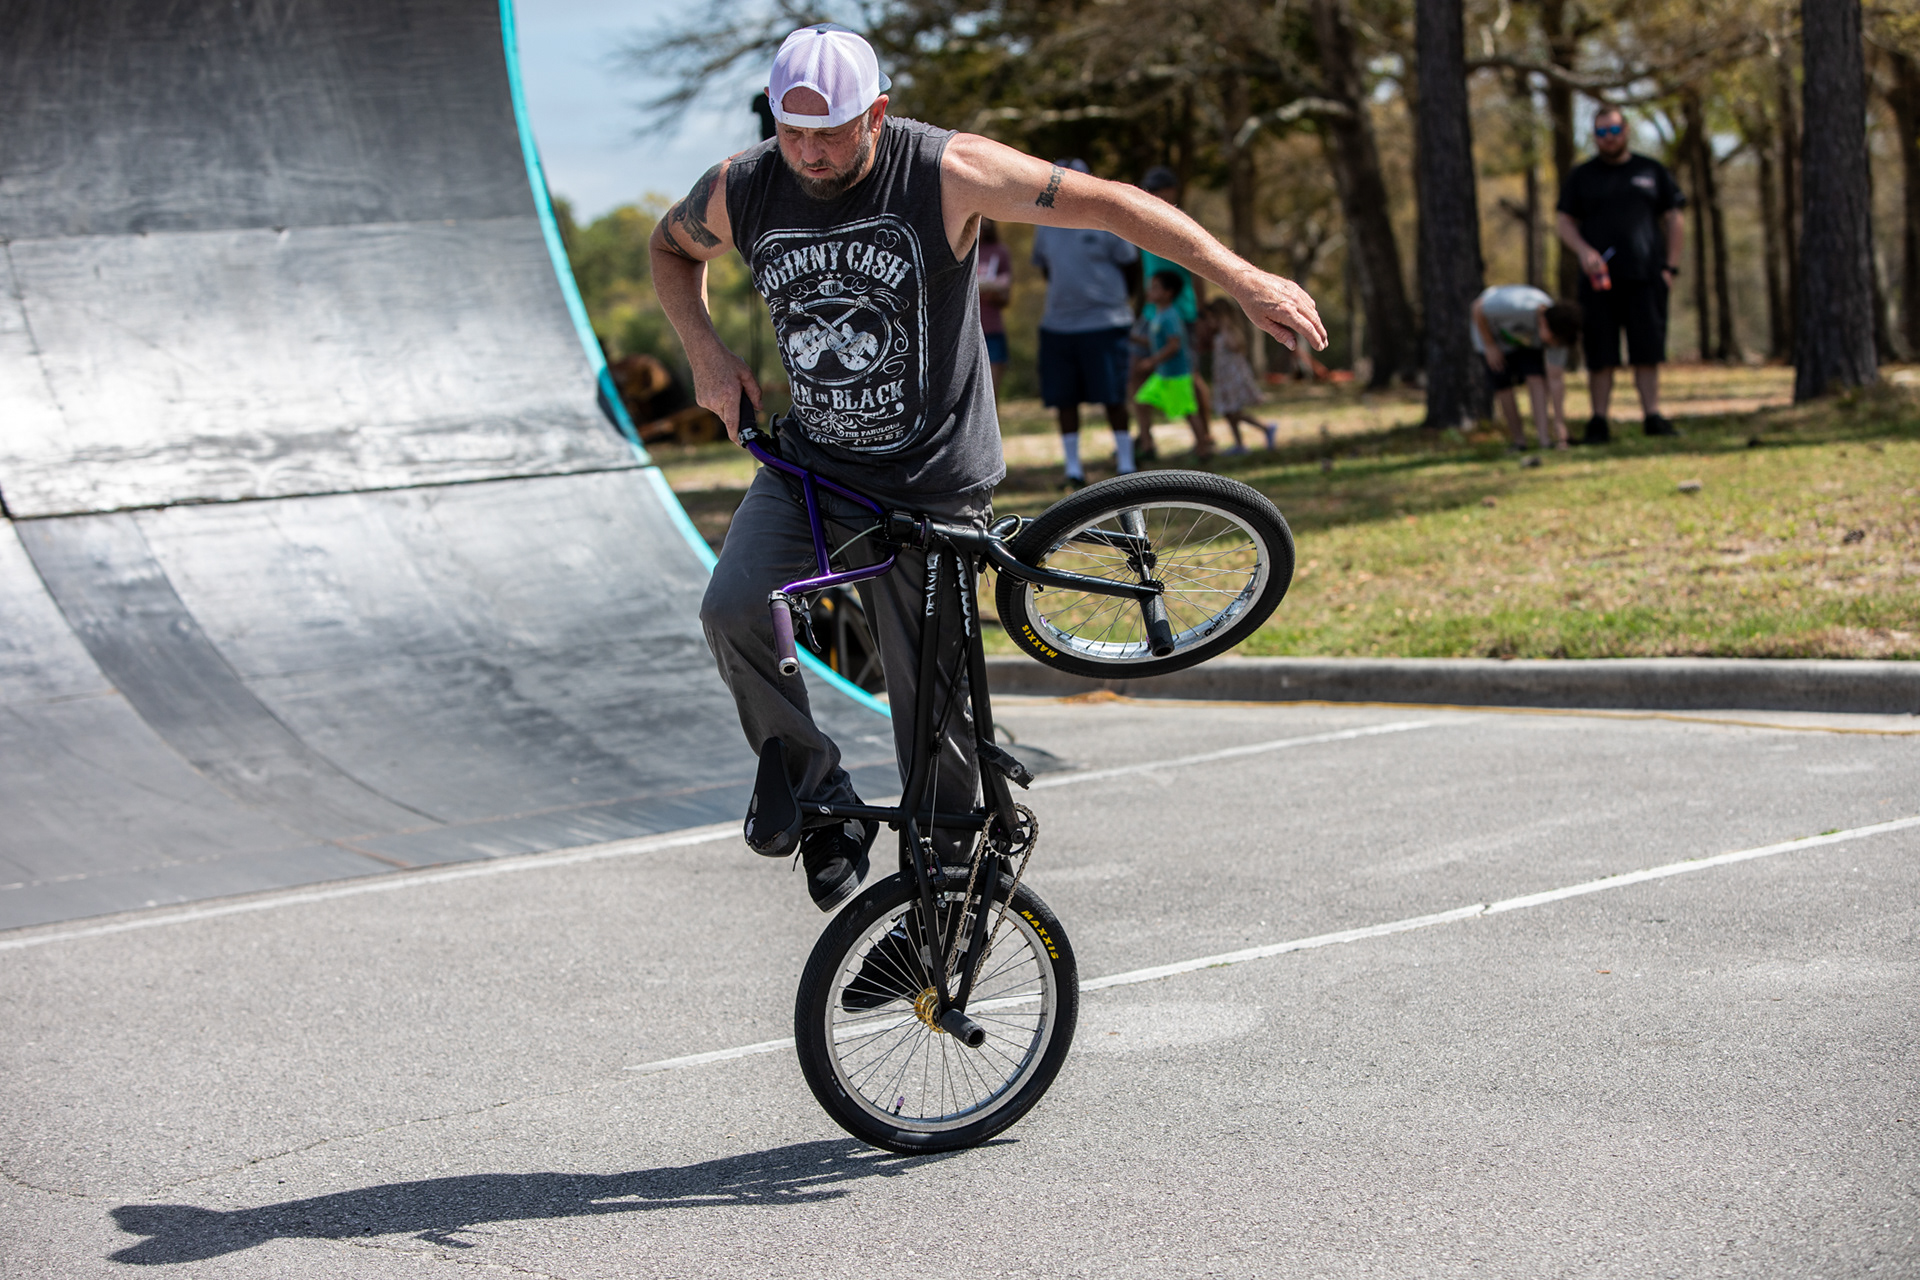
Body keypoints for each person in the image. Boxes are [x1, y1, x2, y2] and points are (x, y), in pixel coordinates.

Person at [648, 23, 1326, 910]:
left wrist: (1241, 278)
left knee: (934, 721)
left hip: (930, 481)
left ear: (876, 114)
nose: (810, 154)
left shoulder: (948, 171)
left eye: (833, 133)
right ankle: (822, 804)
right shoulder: (741, 187)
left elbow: (1111, 204)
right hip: (813, 471)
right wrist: (703, 351)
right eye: (793, 131)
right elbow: (670, 249)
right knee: (732, 608)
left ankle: (943, 910)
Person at [1554, 105, 1686, 444]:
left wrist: (1670, 267)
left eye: (1614, 130)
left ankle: (1652, 416)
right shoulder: (1582, 176)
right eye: (1602, 132)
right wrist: (1583, 250)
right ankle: (1598, 421)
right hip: (1599, 281)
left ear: (1626, 131)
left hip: (1646, 276)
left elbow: (1674, 217)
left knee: (1648, 349)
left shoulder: (1651, 170)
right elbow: (1564, 220)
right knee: (1600, 352)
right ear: (1594, 136)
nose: (1609, 138)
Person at [1031, 160, 1140, 487]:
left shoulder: (1106, 218)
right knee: (1064, 399)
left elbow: (1131, 266)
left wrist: (1113, 301)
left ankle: (1126, 464)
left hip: (1104, 323)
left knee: (1113, 395)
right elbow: (1047, 268)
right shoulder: (1043, 221)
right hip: (1059, 326)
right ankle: (1074, 470)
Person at [1137, 165, 1213, 458]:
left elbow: (1199, 272)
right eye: (1150, 190)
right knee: (1138, 373)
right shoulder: (1139, 224)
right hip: (1152, 312)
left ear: (1173, 191)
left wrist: (1202, 312)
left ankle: (1205, 436)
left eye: (1160, 190)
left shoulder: (1183, 225)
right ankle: (1145, 439)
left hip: (1182, 312)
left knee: (1191, 376)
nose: (1155, 195)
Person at [1470, 285, 1582, 451]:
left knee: (1536, 377)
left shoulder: (1560, 331)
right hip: (1490, 336)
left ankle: (1545, 440)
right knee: (1503, 384)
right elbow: (1478, 308)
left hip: (1525, 342)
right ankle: (1519, 441)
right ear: (1544, 323)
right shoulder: (1518, 306)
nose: (1554, 345)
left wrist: (1560, 424)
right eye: (1554, 340)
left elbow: (1555, 379)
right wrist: (1490, 345)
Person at [1133, 270, 1211, 461]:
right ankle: (1147, 446)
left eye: (1155, 288)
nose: (1149, 291)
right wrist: (1133, 338)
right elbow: (1156, 343)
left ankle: (1203, 449)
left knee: (1188, 411)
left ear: (1168, 293)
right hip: (1163, 375)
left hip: (1177, 375)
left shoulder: (1170, 316)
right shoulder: (1157, 315)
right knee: (1141, 401)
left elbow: (1174, 346)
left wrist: (1151, 361)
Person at [1204, 296, 1277, 452]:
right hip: (1223, 378)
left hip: (1233, 377)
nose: (1209, 322)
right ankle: (1239, 444)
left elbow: (1235, 346)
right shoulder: (1217, 335)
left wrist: (1225, 326)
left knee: (1235, 412)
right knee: (1228, 412)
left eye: (1212, 318)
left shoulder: (1230, 332)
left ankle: (1266, 428)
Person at [976, 218, 1012, 397]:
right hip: (964, 332)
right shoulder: (961, 250)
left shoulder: (1000, 251)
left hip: (992, 331)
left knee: (990, 394)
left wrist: (992, 292)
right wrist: (991, 284)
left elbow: (1005, 296)